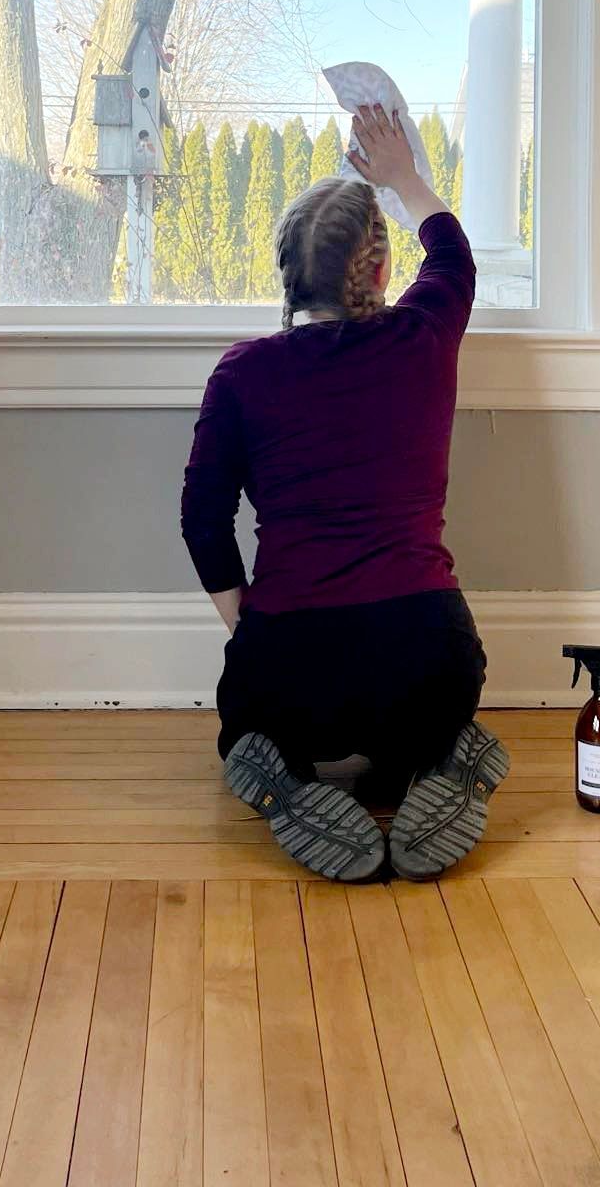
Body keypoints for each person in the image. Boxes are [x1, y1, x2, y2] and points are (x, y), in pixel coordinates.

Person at [180, 103, 509, 881]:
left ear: (286, 271)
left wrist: (248, 628)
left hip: (294, 672)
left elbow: (203, 520)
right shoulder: (422, 337)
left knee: (248, 732)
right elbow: (452, 253)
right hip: (430, 662)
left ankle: (291, 780)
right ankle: (431, 759)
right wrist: (401, 177)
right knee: (428, 715)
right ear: (381, 270)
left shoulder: (245, 371)